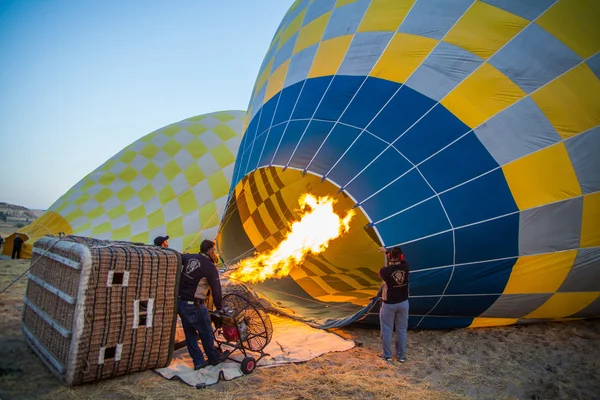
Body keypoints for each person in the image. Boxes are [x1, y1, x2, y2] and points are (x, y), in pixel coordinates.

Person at [177, 239, 229, 370]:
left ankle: (199, 362)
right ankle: (213, 358)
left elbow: (177, 256)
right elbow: (216, 291)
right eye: (214, 250)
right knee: (206, 333)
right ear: (210, 251)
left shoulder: (189, 257)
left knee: (190, 334)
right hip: (194, 306)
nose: (215, 253)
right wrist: (220, 308)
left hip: (180, 303)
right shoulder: (209, 267)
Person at [377, 246, 410, 363]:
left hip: (389, 304)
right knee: (401, 330)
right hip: (403, 303)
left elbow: (380, 274)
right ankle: (401, 356)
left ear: (390, 257)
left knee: (386, 330)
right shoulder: (406, 266)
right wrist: (387, 252)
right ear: (401, 256)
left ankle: (387, 355)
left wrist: (387, 254)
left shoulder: (384, 271)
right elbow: (398, 261)